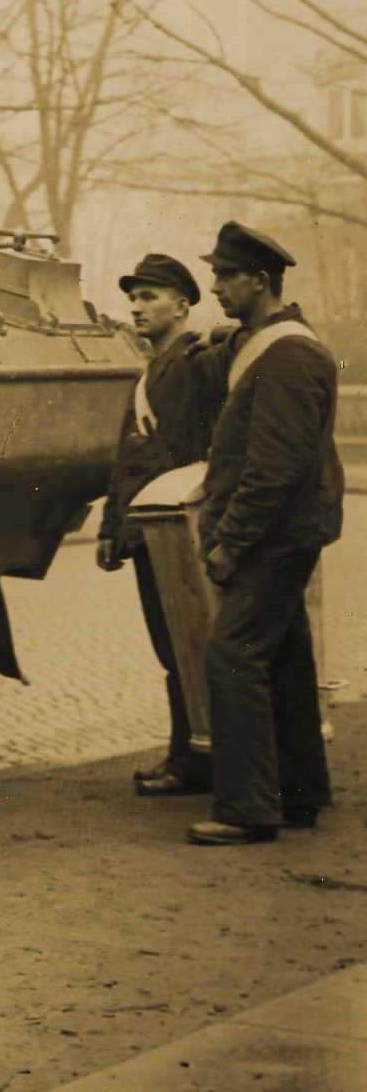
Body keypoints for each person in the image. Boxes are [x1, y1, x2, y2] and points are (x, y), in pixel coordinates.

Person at [183, 221, 343, 846]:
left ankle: (248, 808)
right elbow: (212, 372)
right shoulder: (266, 341)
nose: (216, 285)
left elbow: (277, 467)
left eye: (227, 276)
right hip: (283, 531)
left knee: (233, 655)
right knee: (285, 658)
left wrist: (231, 541)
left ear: (261, 280)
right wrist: (224, 334)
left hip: (272, 535)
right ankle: (300, 794)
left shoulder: (290, 353)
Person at [93, 253, 216, 799]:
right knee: (173, 650)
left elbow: (191, 454)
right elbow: (128, 458)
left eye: (150, 297)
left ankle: (195, 762)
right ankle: (188, 755)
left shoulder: (193, 363)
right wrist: (109, 528)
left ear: (183, 305)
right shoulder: (151, 369)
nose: (137, 308)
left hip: (176, 526)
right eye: (133, 299)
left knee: (188, 647)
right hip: (147, 529)